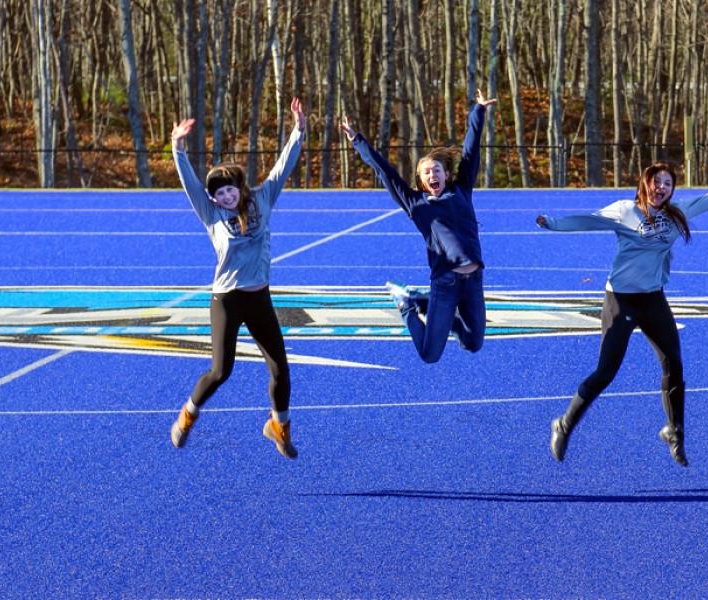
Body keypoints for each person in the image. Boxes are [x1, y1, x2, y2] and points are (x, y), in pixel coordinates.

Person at [537, 159, 708, 467]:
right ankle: (563, 424)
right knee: (606, 372)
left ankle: (675, 431)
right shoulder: (624, 211)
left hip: (653, 300)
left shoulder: (675, 214)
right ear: (645, 184)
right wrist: (553, 223)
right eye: (657, 182)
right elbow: (588, 220)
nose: (661, 188)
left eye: (667, 184)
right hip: (621, 300)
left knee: (674, 365)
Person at [168, 98, 306, 459]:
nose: (225, 195)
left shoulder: (262, 199)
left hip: (260, 298)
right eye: (219, 193)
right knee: (220, 371)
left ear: (240, 187)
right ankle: (187, 415)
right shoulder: (210, 214)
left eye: (229, 189)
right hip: (227, 300)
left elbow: (282, 167)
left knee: (280, 369)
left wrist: (298, 131)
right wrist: (177, 147)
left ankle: (278, 425)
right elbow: (190, 184)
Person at [337, 90, 497, 364]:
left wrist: (478, 112)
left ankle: (422, 302)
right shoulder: (416, 203)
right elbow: (384, 171)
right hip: (445, 283)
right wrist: (357, 140)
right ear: (421, 181)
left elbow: (471, 151)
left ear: (446, 174)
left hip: (473, 282)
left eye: (436, 169)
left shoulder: (461, 190)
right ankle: (408, 306)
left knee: (473, 344)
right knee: (429, 354)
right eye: (426, 172)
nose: (432, 174)